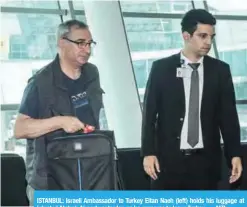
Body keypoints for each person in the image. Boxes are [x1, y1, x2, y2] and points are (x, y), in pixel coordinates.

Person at [141, 9, 242, 190]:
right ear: (186, 36)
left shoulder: (220, 71)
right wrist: (148, 152)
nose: (208, 42)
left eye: (211, 37)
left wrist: (234, 154)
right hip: (168, 162)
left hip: (206, 163)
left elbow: (228, 117)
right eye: (202, 36)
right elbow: (149, 115)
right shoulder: (161, 69)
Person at [14, 20, 104, 204]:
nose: (87, 50)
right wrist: (60, 122)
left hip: (88, 175)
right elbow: (20, 129)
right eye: (80, 43)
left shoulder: (92, 73)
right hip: (49, 181)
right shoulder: (40, 82)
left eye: (89, 44)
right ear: (62, 43)